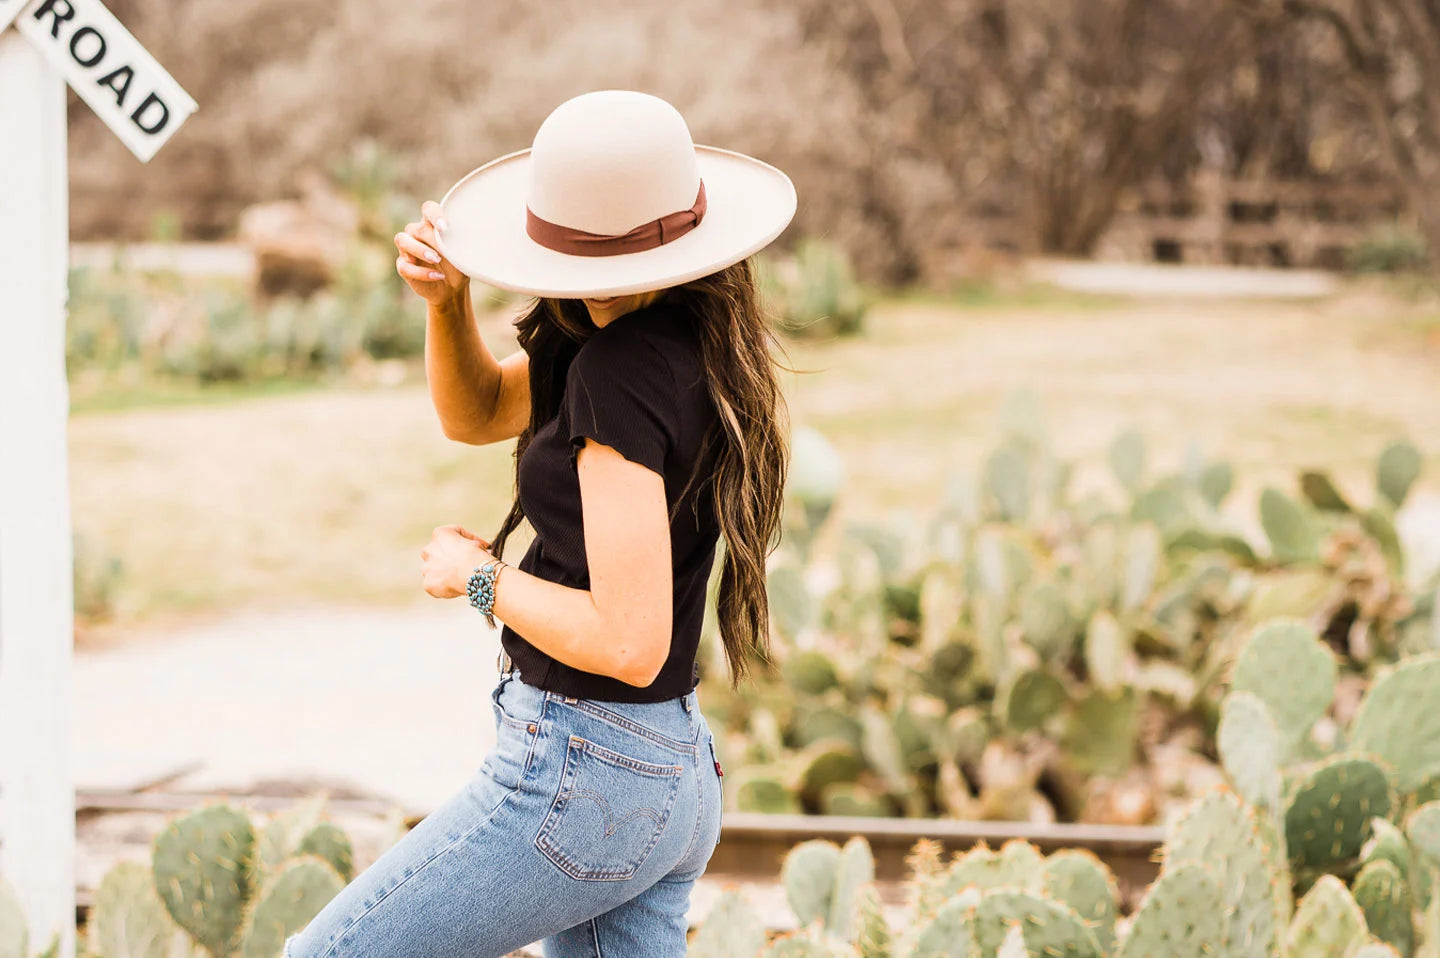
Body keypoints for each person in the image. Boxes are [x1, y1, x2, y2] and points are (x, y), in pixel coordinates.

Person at [282, 90, 797, 957]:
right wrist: (449, 305)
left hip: (587, 767)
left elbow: (627, 638)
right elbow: (477, 410)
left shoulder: (620, 373)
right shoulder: (668, 339)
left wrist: (475, 579)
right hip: (666, 765)